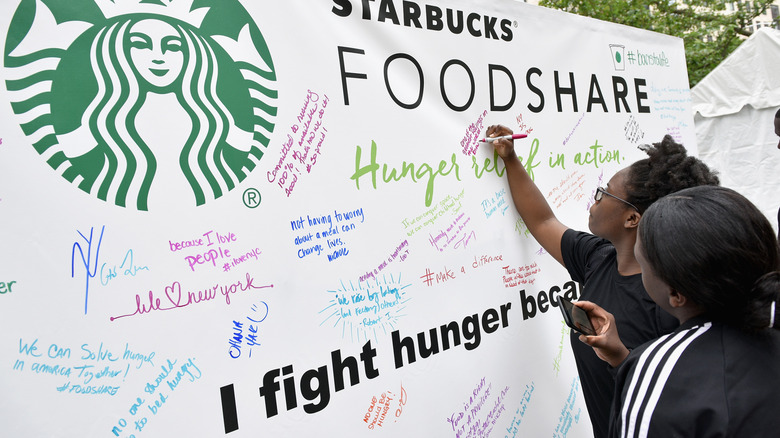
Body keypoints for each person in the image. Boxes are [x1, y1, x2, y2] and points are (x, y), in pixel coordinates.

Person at [484, 125, 719, 438]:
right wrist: (510, 159)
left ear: (631, 218)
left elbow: (679, 401)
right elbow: (543, 221)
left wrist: (620, 355)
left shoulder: (672, 301)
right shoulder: (599, 258)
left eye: (603, 193)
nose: (593, 200)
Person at [576, 185, 780, 437]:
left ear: (675, 294)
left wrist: (638, 366)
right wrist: (621, 357)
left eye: (643, 261)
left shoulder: (654, 372)